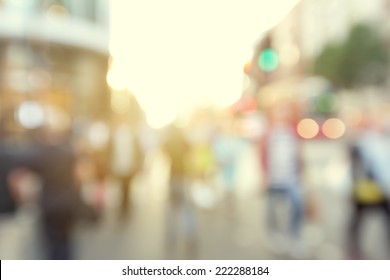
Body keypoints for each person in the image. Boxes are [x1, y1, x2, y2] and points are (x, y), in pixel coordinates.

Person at [258, 103, 305, 258]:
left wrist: (303, 172)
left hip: (291, 177)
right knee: (272, 209)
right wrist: (264, 175)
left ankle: (294, 238)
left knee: (297, 207)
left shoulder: (293, 131)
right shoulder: (268, 133)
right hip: (274, 178)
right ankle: (274, 235)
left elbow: (299, 154)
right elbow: (262, 155)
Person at [348, 112, 390, 259]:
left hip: (375, 188)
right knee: (359, 220)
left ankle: (354, 248)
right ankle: (354, 248)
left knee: (359, 220)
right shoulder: (364, 142)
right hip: (370, 188)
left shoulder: (377, 141)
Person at [162, 124, 197, 259]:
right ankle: (189, 236)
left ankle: (171, 237)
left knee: (172, 210)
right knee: (186, 209)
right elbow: (191, 151)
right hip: (182, 177)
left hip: (173, 177)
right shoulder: (183, 140)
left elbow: (163, 152)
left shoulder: (169, 141)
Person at [109, 120, 143, 218]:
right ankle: (123, 206)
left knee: (127, 188)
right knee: (122, 187)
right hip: (120, 166)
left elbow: (138, 152)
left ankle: (126, 206)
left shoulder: (132, 137)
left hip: (128, 166)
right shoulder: (116, 137)